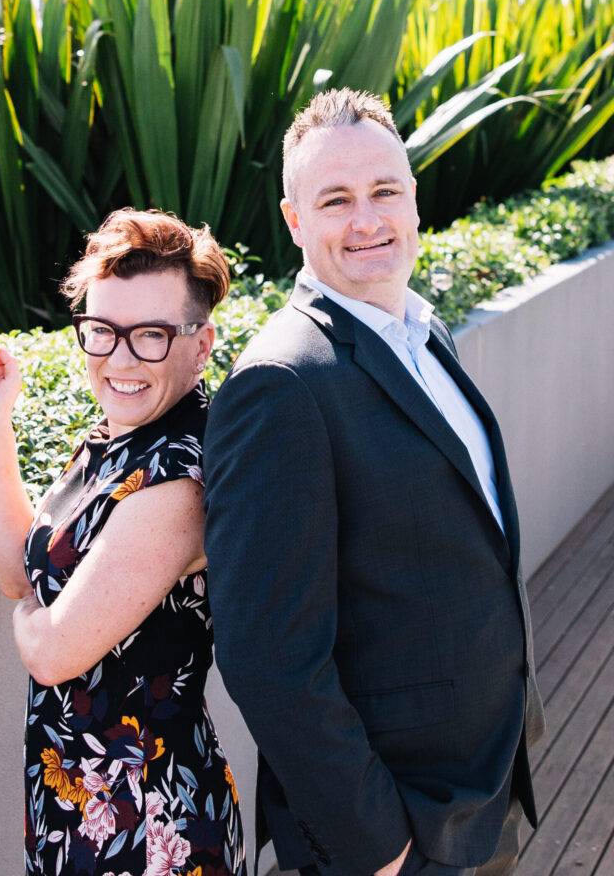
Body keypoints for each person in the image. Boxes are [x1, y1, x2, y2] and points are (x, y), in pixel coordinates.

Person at [203, 88, 545, 876]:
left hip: (480, 789)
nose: (368, 220)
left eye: (385, 191)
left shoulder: (424, 332)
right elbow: (267, 657)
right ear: (294, 221)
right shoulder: (280, 383)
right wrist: (379, 848)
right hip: (393, 831)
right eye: (335, 200)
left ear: (414, 199)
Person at [0, 209, 246, 876]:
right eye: (101, 331)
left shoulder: (176, 478)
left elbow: (54, 652)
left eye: (149, 335)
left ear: (200, 345)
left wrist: (38, 622)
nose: (119, 358)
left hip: (149, 826)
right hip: (82, 809)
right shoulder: (118, 437)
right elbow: (19, 573)